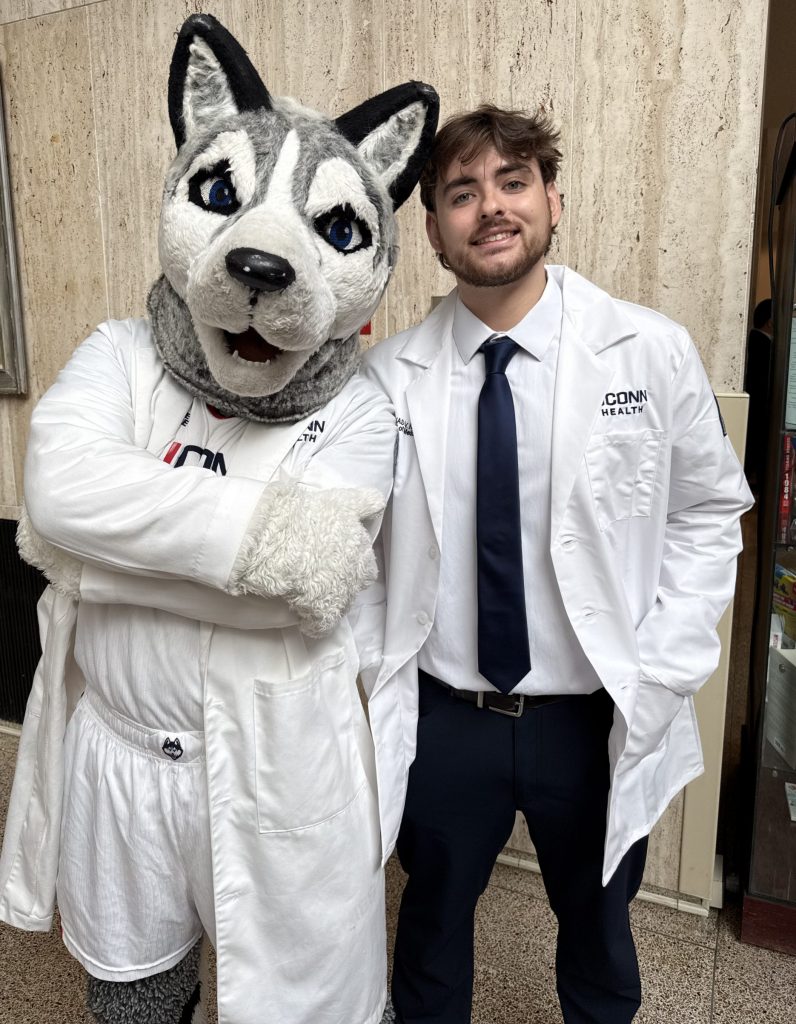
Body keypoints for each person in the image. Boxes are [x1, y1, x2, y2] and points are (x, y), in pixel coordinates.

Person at [362, 104, 753, 1024]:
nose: (489, 208)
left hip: (591, 715)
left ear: (553, 201)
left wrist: (664, 665)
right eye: (461, 193)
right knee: (430, 925)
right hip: (445, 716)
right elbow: (363, 549)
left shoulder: (648, 351)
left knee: (600, 925)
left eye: (512, 182)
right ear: (432, 230)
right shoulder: (392, 378)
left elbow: (710, 511)